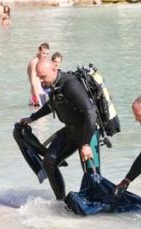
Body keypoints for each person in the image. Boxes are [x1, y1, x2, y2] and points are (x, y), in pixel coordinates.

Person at [19, 60, 98, 201]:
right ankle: (60, 202)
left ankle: (97, 206)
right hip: (70, 131)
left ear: (54, 69)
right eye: (39, 77)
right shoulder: (54, 85)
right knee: (49, 162)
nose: (41, 81)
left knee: (92, 173)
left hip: (87, 132)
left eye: (43, 76)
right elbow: (52, 105)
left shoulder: (70, 84)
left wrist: (85, 144)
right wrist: (32, 118)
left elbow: (91, 113)